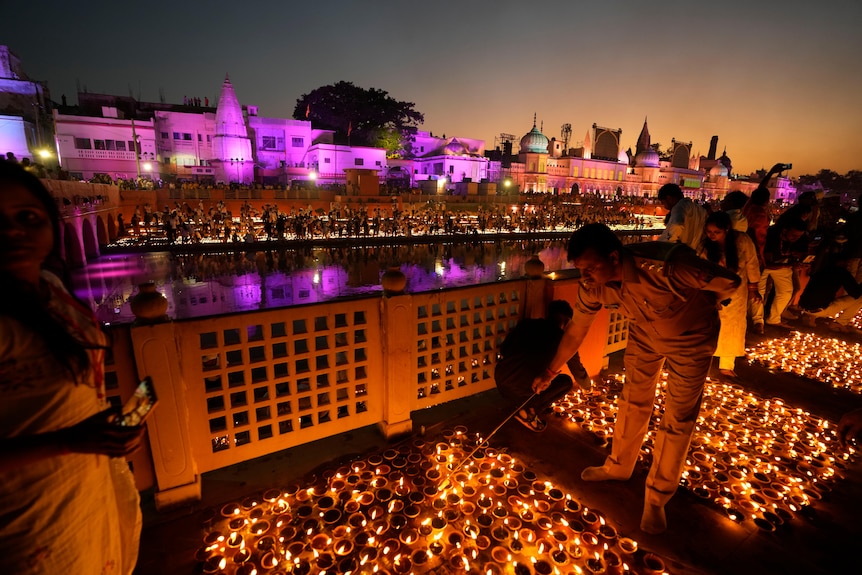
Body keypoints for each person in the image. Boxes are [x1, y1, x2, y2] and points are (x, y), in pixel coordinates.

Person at [533, 224, 740, 534]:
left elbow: (730, 283)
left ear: (614, 256)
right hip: (643, 336)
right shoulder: (594, 286)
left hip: (691, 340)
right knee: (632, 401)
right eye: (580, 270)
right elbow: (576, 329)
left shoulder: (667, 265)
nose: (585, 276)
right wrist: (549, 372)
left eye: (591, 268)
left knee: (678, 417)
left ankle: (657, 497)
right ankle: (618, 466)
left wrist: (702, 306)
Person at [0, 160, 145, 574]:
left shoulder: (51, 291)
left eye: (26, 217)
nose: (12, 231)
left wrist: (101, 427)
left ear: (50, 224)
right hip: (23, 515)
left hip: (85, 481)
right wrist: (68, 440)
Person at [495, 300, 590, 432]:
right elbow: (577, 369)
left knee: (540, 378)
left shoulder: (526, 324)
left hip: (501, 380)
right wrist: (588, 387)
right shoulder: (563, 339)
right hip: (524, 389)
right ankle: (529, 411)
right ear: (567, 321)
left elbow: (504, 349)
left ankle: (524, 405)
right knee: (566, 382)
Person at [698, 211, 762, 378]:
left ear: (726, 229)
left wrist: (754, 288)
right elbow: (700, 265)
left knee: (732, 327)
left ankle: (727, 364)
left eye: (716, 232)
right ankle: (703, 361)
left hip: (736, 291)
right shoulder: (706, 245)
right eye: (709, 232)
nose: (712, 235)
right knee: (708, 325)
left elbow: (752, 263)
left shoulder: (742, 240)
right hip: (712, 290)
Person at [751, 216, 808, 332]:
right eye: (793, 235)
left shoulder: (798, 239)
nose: (796, 238)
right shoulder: (771, 235)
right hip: (763, 265)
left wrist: (797, 260)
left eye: (799, 236)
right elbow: (767, 263)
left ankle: (774, 319)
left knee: (786, 291)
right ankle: (757, 321)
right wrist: (790, 265)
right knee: (759, 293)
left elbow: (795, 253)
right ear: (784, 230)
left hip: (783, 264)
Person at [798, 243, 862, 334]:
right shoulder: (841, 272)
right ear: (842, 262)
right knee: (860, 298)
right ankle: (840, 323)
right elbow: (856, 294)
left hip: (803, 305)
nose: (848, 264)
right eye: (847, 262)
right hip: (819, 309)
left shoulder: (822, 269)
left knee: (820, 297)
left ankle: (809, 315)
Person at [657, 183, 708, 250]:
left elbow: (677, 225)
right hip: (694, 252)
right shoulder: (700, 210)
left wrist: (668, 244)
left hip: (680, 253)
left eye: (663, 203)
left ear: (669, 198)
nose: (665, 207)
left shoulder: (679, 207)